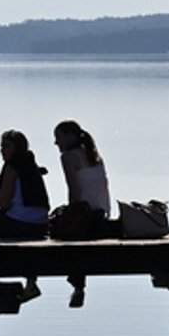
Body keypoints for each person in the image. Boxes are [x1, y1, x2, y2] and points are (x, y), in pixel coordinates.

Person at [49, 120, 114, 307]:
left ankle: (78, 286)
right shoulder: (95, 155)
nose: (56, 143)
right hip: (101, 217)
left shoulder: (69, 157)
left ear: (70, 137)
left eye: (58, 137)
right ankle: (78, 287)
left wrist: (70, 215)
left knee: (62, 232)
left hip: (87, 219)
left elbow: (74, 190)